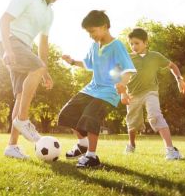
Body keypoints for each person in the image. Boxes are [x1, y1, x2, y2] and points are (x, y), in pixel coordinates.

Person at [0, 0, 68, 159]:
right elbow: (4, 20)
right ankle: (23, 120)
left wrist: (45, 71)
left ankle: (11, 147)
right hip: (10, 42)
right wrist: (8, 48)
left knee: (21, 96)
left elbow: (43, 44)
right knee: (32, 76)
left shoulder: (49, 13)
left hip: (24, 48)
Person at [58, 10, 136, 168]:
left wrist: (122, 85)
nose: (90, 35)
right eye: (88, 32)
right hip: (92, 88)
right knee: (67, 113)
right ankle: (82, 145)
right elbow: (88, 64)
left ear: (105, 26)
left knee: (90, 116)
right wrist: (72, 61)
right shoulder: (94, 45)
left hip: (108, 91)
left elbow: (127, 69)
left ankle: (92, 157)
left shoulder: (117, 45)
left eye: (92, 31)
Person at [123, 27, 185, 160]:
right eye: (131, 43)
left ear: (145, 42)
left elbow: (172, 66)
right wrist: (122, 92)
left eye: (137, 43)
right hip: (132, 95)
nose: (134, 46)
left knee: (155, 116)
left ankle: (170, 150)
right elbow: (121, 76)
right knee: (132, 123)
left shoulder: (155, 56)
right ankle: (131, 144)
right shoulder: (127, 58)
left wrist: (179, 79)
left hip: (150, 92)